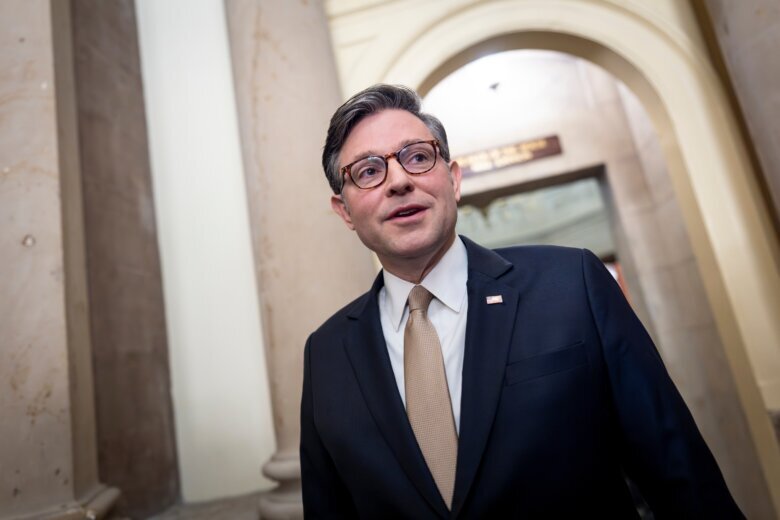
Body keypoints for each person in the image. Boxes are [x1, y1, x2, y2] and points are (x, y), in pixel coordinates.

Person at [300, 84, 742, 518]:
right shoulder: (326, 354)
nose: (399, 181)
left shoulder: (571, 285)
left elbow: (680, 475)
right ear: (344, 211)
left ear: (454, 180)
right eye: (369, 171)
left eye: (417, 157)